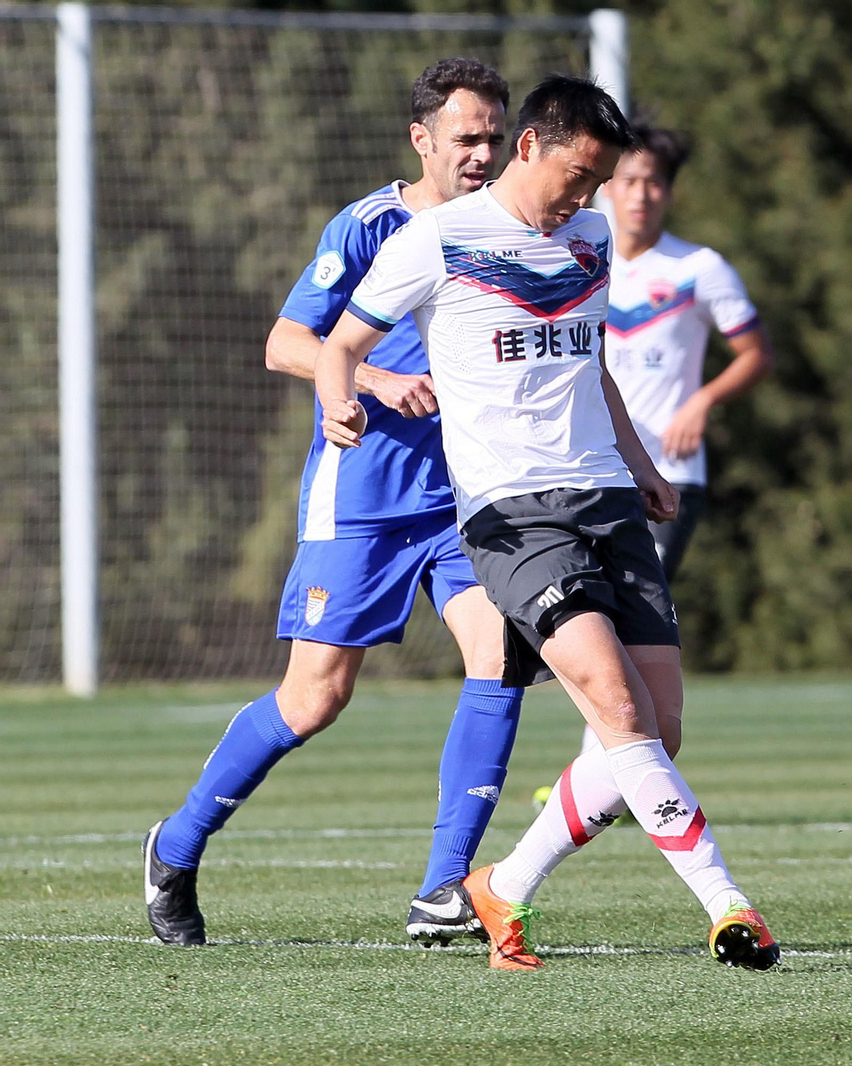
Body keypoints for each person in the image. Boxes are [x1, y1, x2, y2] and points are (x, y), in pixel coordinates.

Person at [314, 74, 780, 972]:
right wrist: (342, 401)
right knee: (615, 707)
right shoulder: (438, 240)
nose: (589, 196)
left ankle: (503, 887)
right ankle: (729, 905)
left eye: (601, 180)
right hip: (512, 515)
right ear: (529, 147)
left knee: (660, 728)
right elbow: (340, 343)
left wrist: (642, 468)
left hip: (605, 497)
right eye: (578, 174)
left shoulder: (592, 236)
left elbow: (591, 364)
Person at [143, 59, 517, 948]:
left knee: (499, 657)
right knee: (315, 699)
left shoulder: (504, 229)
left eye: (494, 138)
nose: (482, 154)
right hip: (365, 502)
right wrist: (371, 380)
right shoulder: (367, 225)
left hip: (465, 498)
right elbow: (285, 342)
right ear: (421, 139)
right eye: (466, 138)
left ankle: (442, 888)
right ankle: (177, 844)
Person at [604, 123, 774, 581]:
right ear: (607, 185)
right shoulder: (582, 264)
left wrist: (702, 401)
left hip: (669, 469)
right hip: (595, 468)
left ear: (670, 192)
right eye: (629, 181)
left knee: (642, 609)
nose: (641, 195)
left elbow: (756, 354)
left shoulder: (700, 267)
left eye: (654, 182)